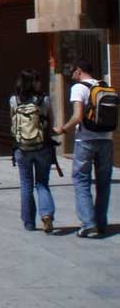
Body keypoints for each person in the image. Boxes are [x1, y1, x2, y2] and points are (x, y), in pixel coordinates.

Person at [54, 60, 114, 238]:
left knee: (81, 180)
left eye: (73, 71)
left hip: (86, 140)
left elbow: (78, 116)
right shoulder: (105, 86)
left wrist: (63, 129)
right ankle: (101, 222)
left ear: (79, 71)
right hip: (106, 140)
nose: (71, 74)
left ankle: (88, 224)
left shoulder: (79, 88)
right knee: (104, 183)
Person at [10, 69, 55, 233]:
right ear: (33, 82)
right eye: (38, 80)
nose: (40, 83)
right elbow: (51, 122)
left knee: (26, 184)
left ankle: (29, 222)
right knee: (42, 183)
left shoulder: (14, 100)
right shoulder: (44, 100)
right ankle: (47, 215)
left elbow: (13, 124)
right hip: (42, 147)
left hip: (22, 149)